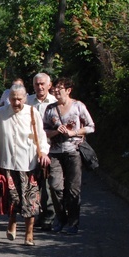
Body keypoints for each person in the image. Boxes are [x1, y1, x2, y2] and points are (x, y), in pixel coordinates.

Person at [0, 83, 50, 246]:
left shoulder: (32, 112)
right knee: (12, 198)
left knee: (30, 200)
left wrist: (43, 151)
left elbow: (41, 135)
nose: (16, 103)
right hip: (7, 162)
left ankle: (29, 234)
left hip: (28, 163)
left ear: (25, 98)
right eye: (13, 99)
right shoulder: (1, 113)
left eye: (19, 99)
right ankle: (12, 221)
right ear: (8, 98)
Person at [43, 78, 95, 234]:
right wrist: (54, 132)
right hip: (55, 152)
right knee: (55, 186)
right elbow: (43, 130)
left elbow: (91, 127)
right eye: (56, 88)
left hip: (74, 151)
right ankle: (61, 218)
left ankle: (73, 223)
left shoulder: (78, 106)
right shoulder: (50, 109)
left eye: (60, 88)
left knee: (73, 189)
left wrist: (75, 132)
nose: (56, 91)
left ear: (68, 90)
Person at [27, 73, 58, 230]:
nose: (39, 87)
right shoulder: (28, 101)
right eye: (37, 84)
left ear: (49, 85)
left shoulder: (54, 102)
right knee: (34, 183)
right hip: (31, 147)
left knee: (48, 182)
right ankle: (37, 214)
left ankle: (49, 215)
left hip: (51, 147)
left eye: (42, 84)